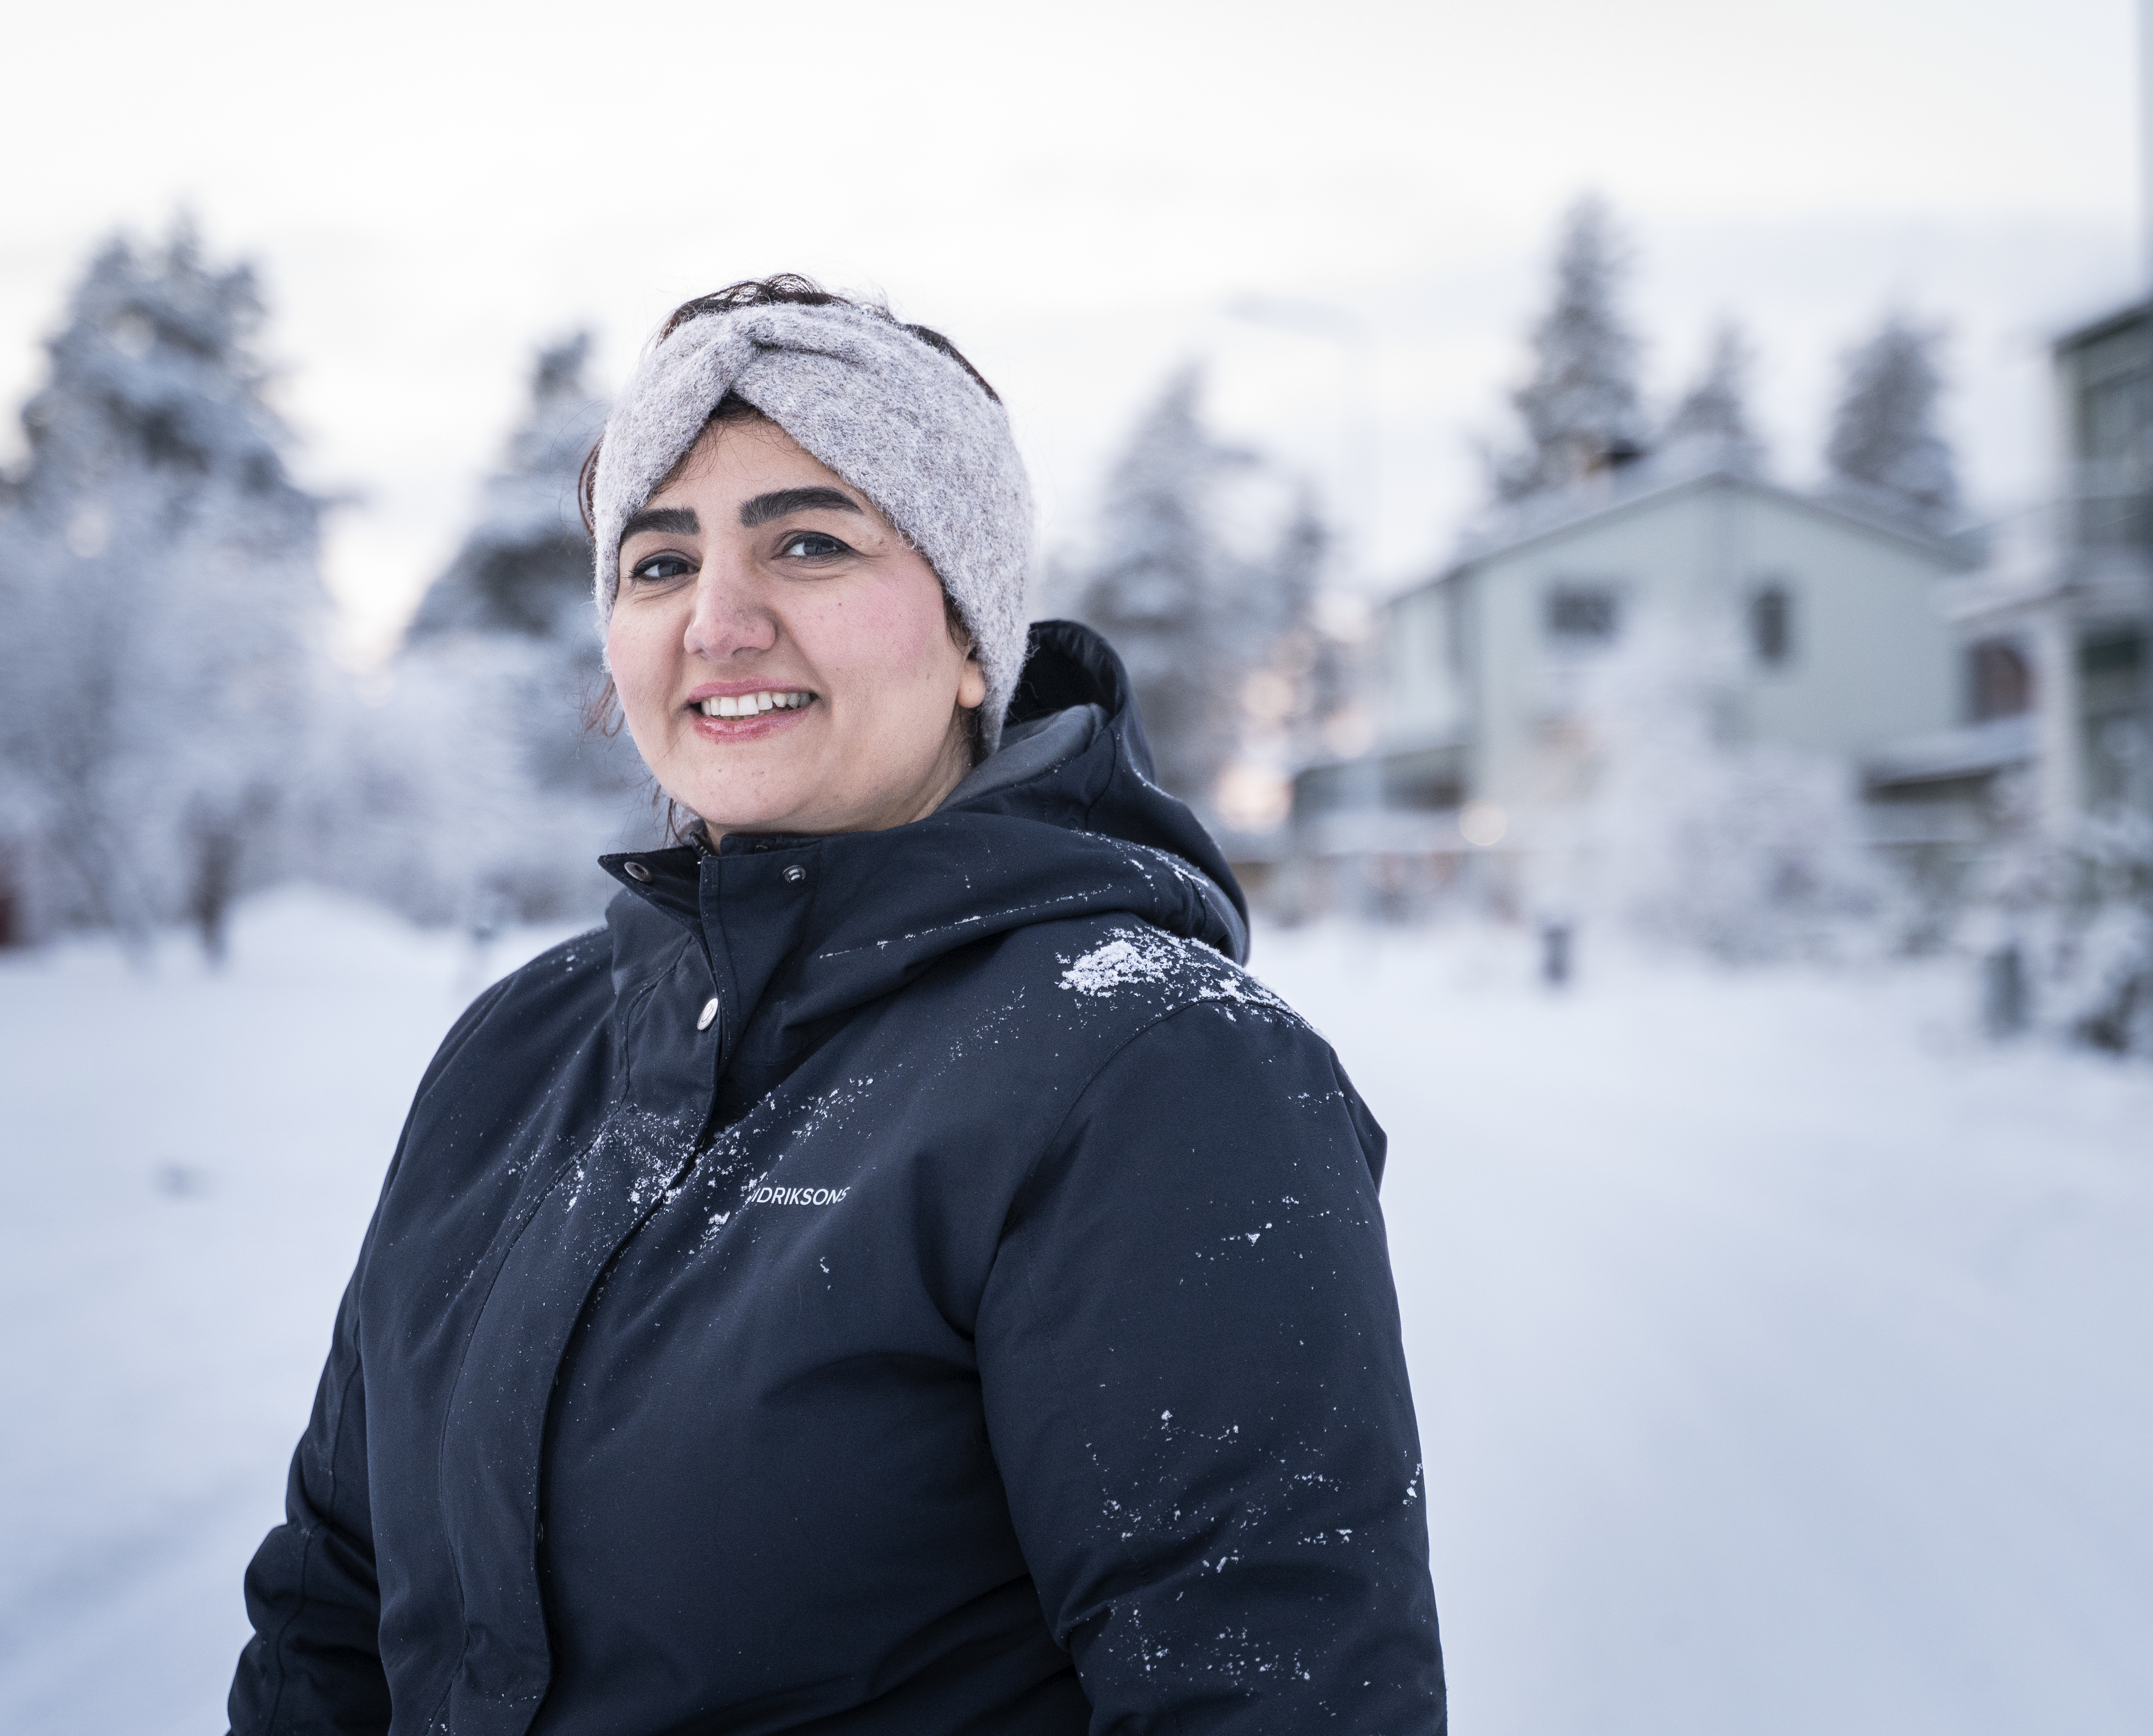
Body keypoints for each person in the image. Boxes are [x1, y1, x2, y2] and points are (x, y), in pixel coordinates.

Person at [228, 277, 1444, 1735]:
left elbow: (1262, 1696)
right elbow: (334, 1602)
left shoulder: (1154, 1069)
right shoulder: (518, 1051)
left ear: (971, 639)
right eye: (659, 565)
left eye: (809, 543)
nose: (720, 624)